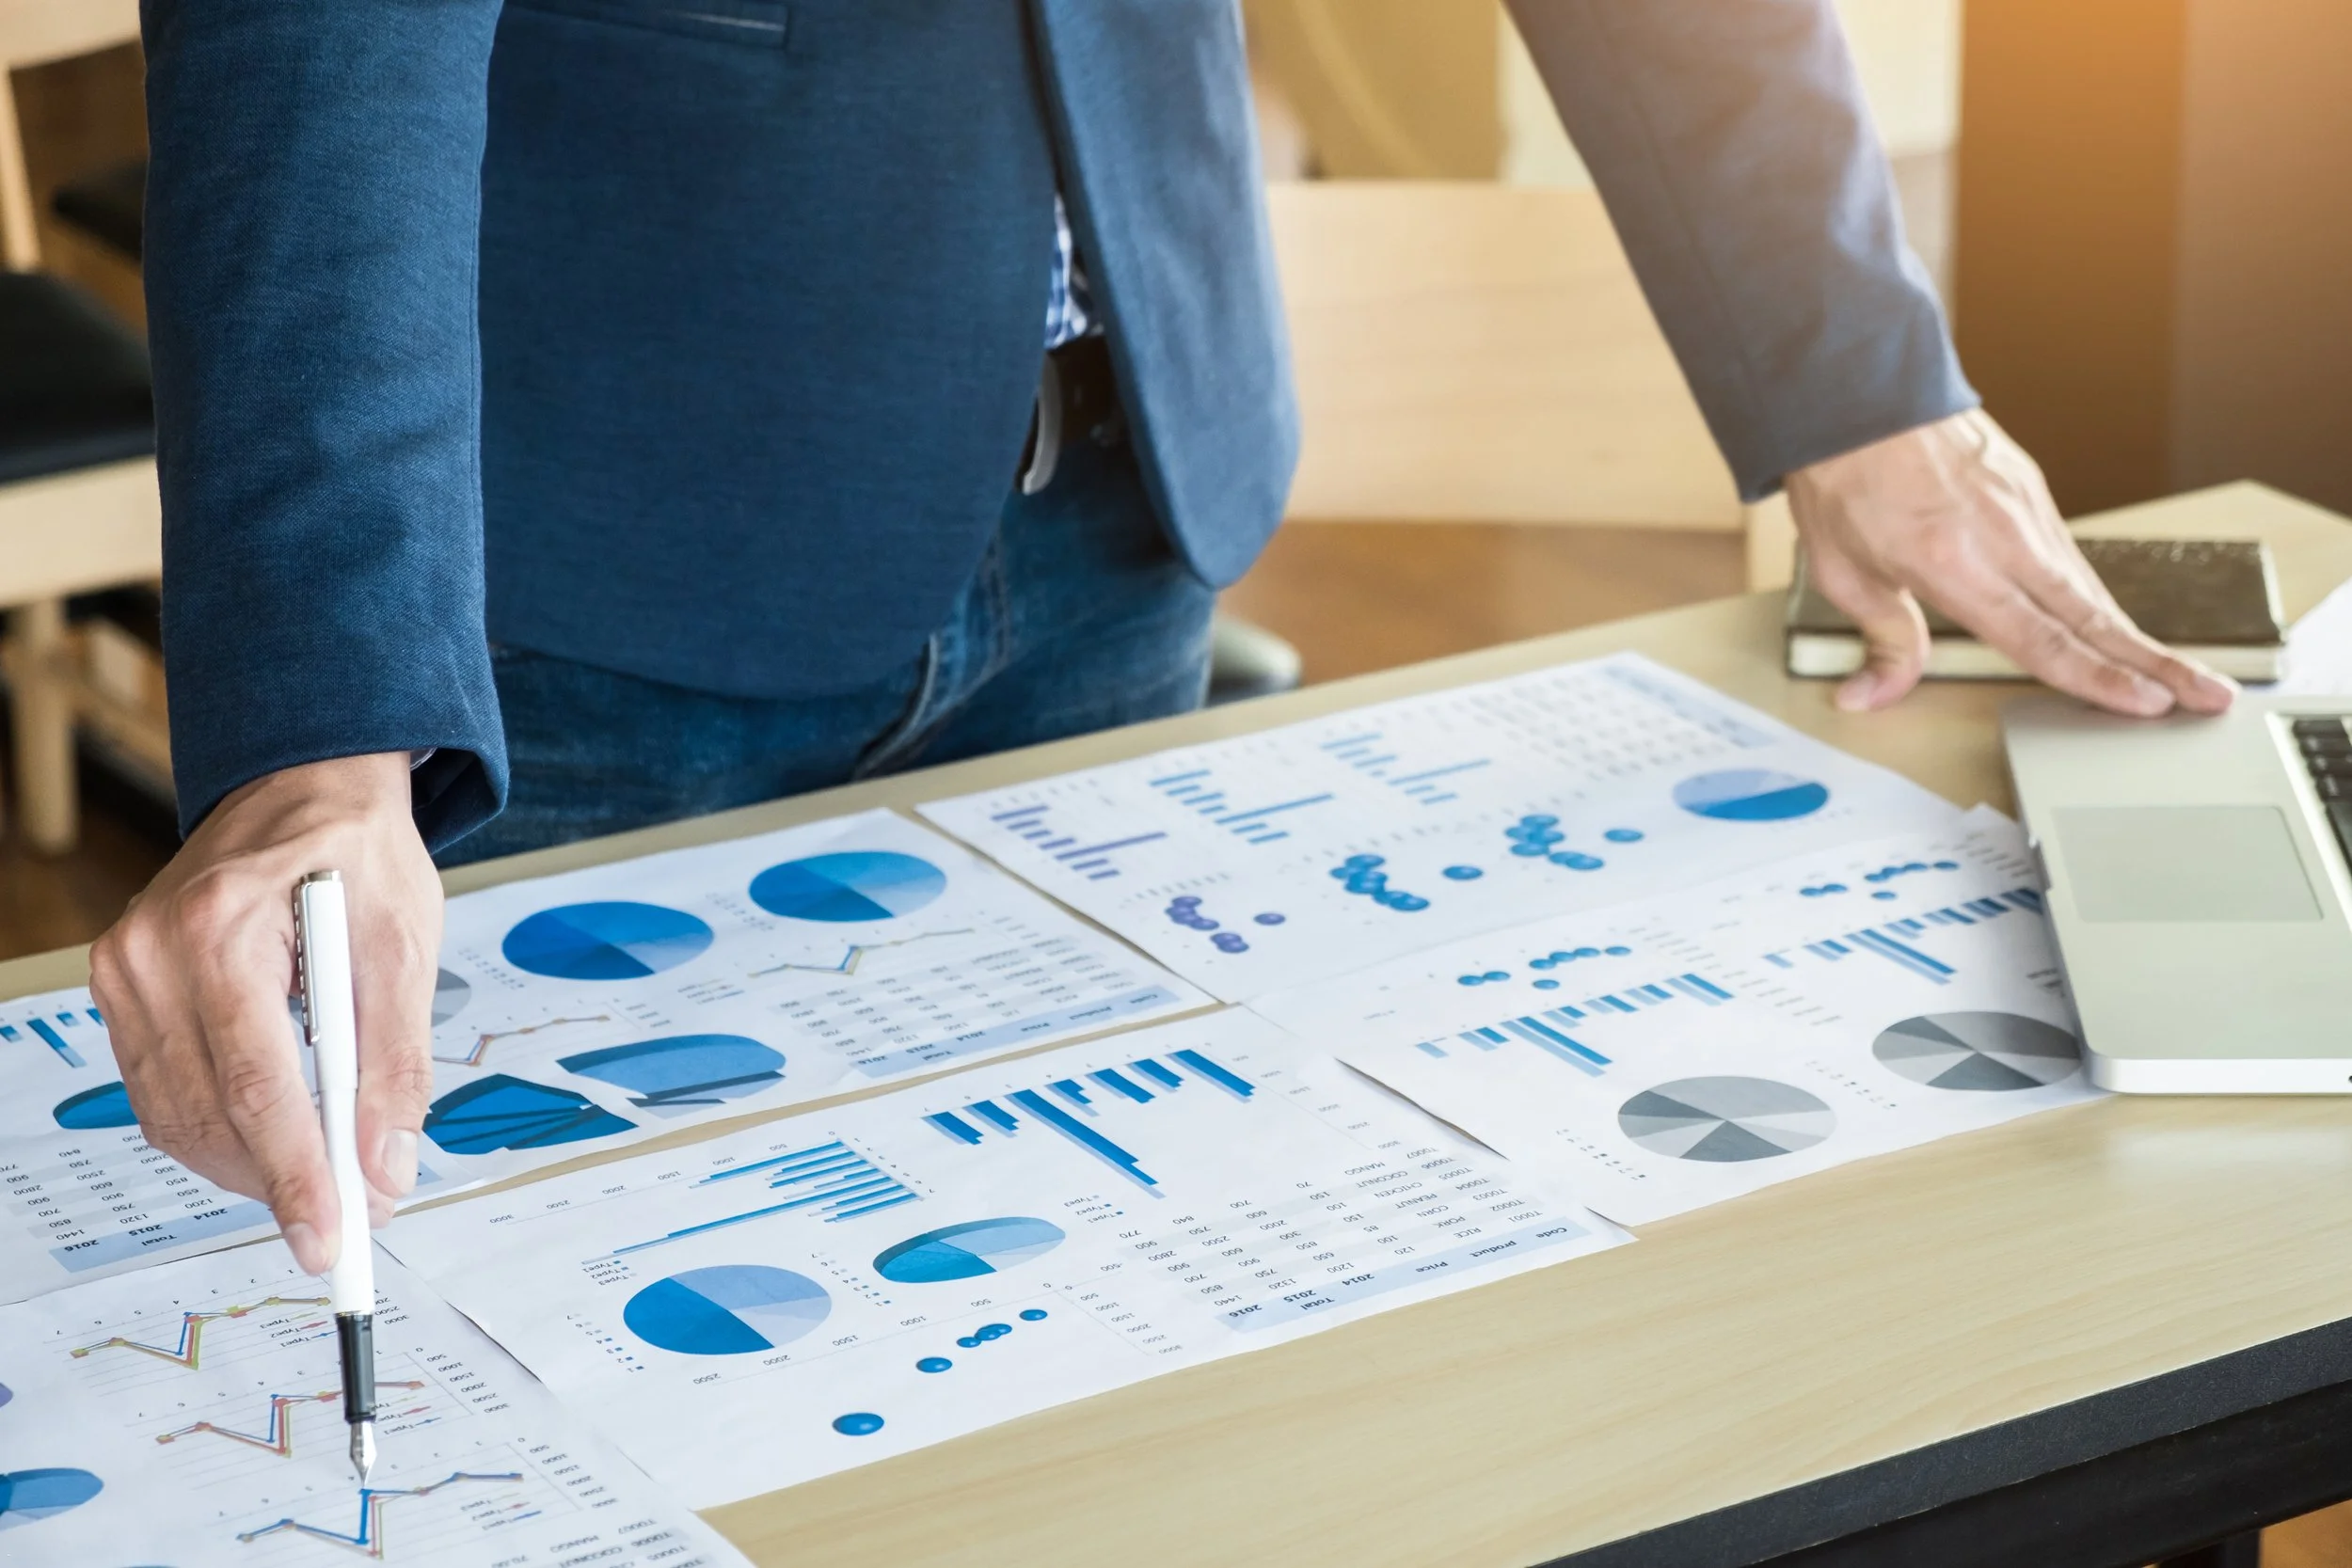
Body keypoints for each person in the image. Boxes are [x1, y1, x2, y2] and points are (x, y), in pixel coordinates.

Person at [92, 0, 2233, 1275]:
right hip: (596, 513)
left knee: (1076, 1284)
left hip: (1129, 461)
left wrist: (1846, 366)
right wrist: (329, 708)